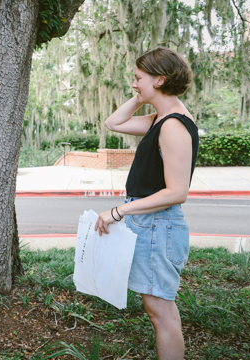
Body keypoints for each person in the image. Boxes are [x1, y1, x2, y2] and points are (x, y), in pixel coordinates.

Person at [95, 47, 198, 360]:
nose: (134, 84)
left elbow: (177, 191)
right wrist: (141, 96)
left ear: (160, 79)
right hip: (151, 224)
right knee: (159, 310)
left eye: (138, 79)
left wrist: (118, 211)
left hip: (158, 226)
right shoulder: (160, 118)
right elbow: (114, 122)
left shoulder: (173, 125)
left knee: (161, 313)